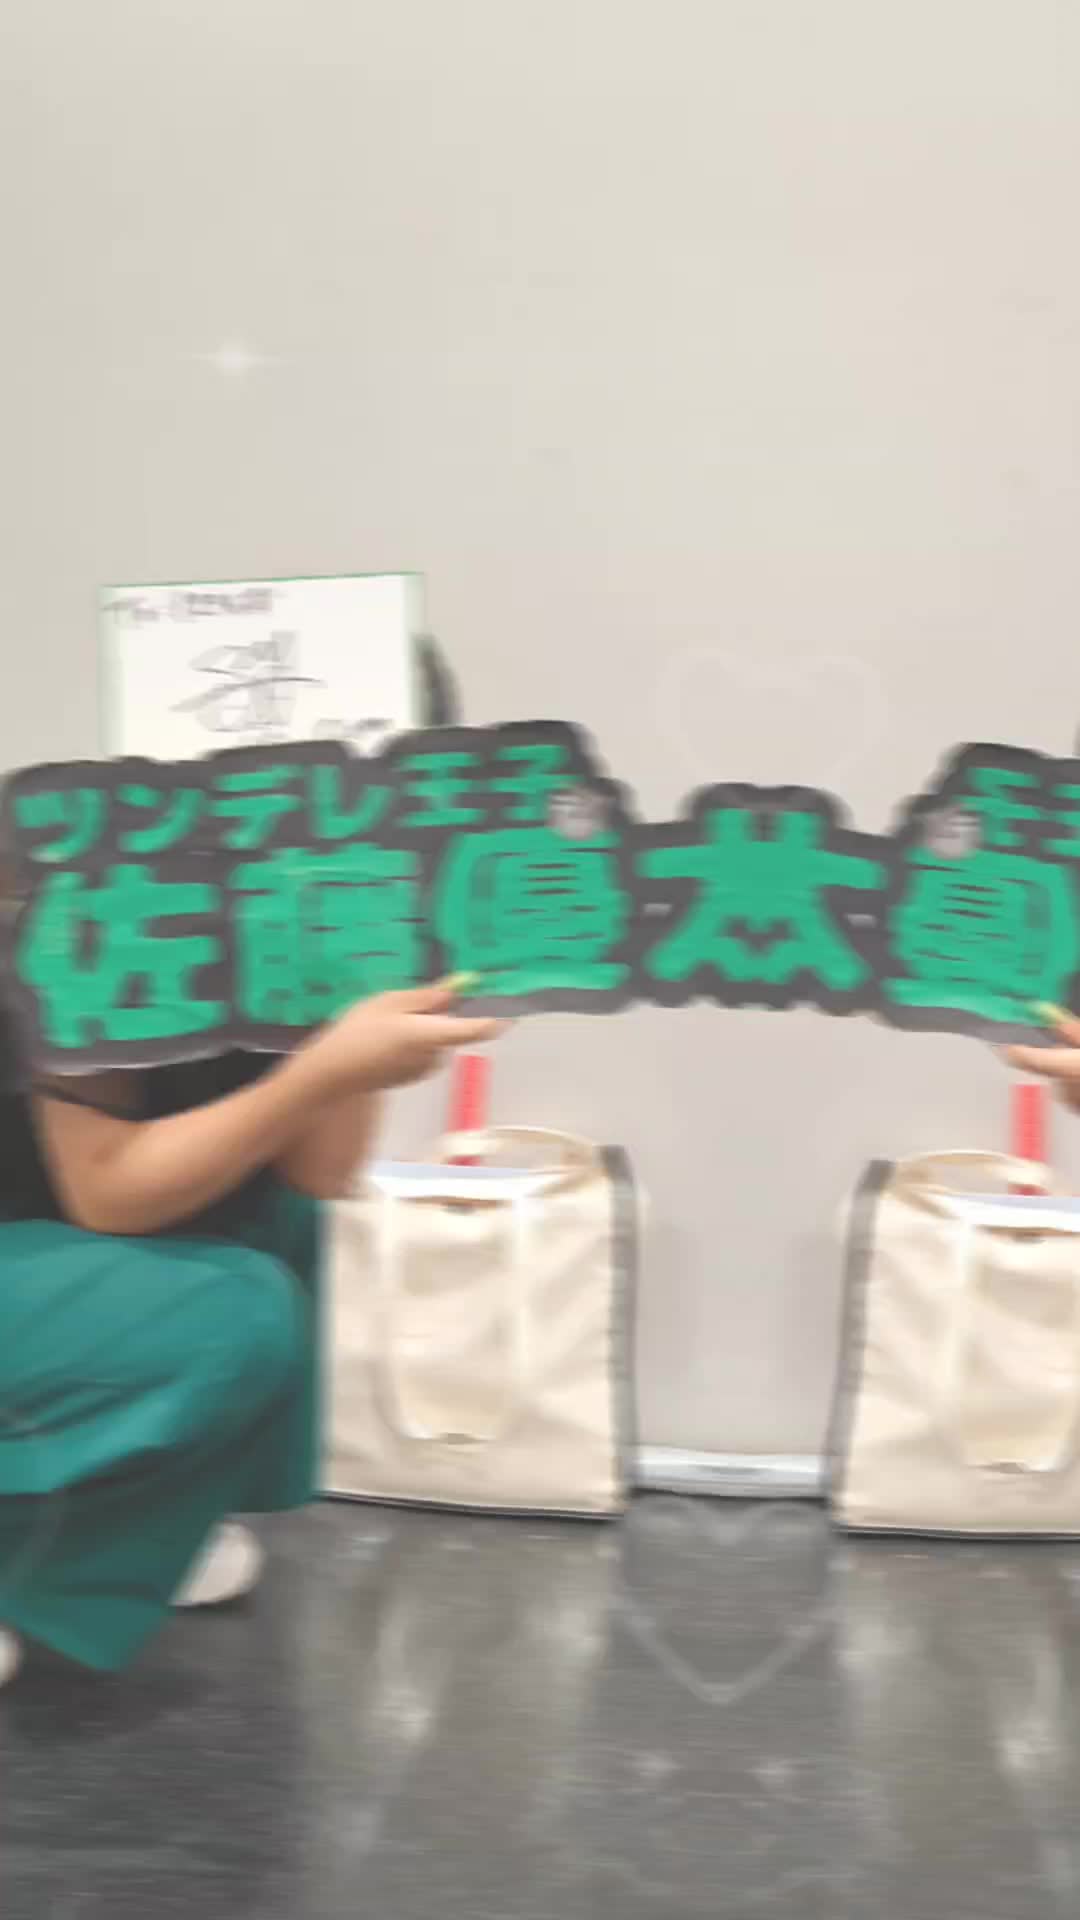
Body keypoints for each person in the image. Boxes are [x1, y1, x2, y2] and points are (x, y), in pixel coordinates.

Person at [0, 979, 500, 1687]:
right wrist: (319, 1073)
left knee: (268, 1201)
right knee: (238, 1308)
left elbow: (320, 1173)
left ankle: (127, 1534)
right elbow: (108, 1193)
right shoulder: (73, 930)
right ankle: (45, 1548)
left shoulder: (257, 935)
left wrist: (345, 1036)